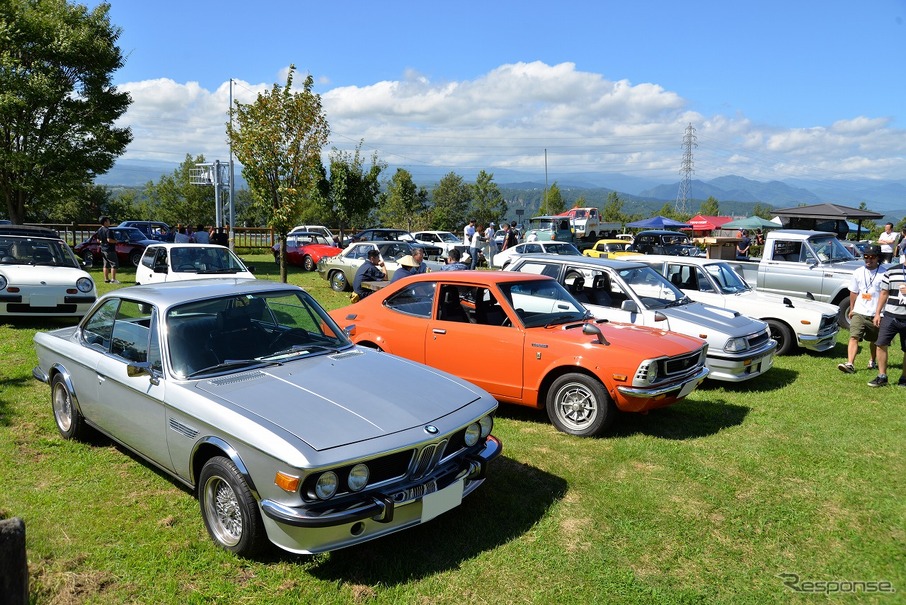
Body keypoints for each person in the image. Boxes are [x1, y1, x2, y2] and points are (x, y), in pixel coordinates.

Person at [838, 244, 885, 374]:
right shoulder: (858, 272)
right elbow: (853, 292)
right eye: (866, 257)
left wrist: (879, 313)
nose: (868, 260)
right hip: (859, 311)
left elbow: (884, 295)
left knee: (874, 340)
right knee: (854, 336)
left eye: (872, 257)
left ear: (878, 258)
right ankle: (850, 363)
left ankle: (872, 360)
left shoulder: (884, 274)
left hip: (876, 313)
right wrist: (852, 309)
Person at [870, 257, 906, 387]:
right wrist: (878, 313)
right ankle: (882, 376)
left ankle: (904, 378)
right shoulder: (891, 272)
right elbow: (884, 293)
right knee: (881, 344)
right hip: (890, 315)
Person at [96, 216, 119, 284]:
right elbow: (109, 240)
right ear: (105, 222)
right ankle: (113, 279)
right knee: (114, 264)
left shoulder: (99, 230)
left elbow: (98, 240)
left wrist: (102, 242)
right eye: (108, 221)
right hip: (109, 249)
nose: (109, 222)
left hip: (103, 249)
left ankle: (106, 279)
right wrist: (115, 241)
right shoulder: (108, 230)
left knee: (105, 265)